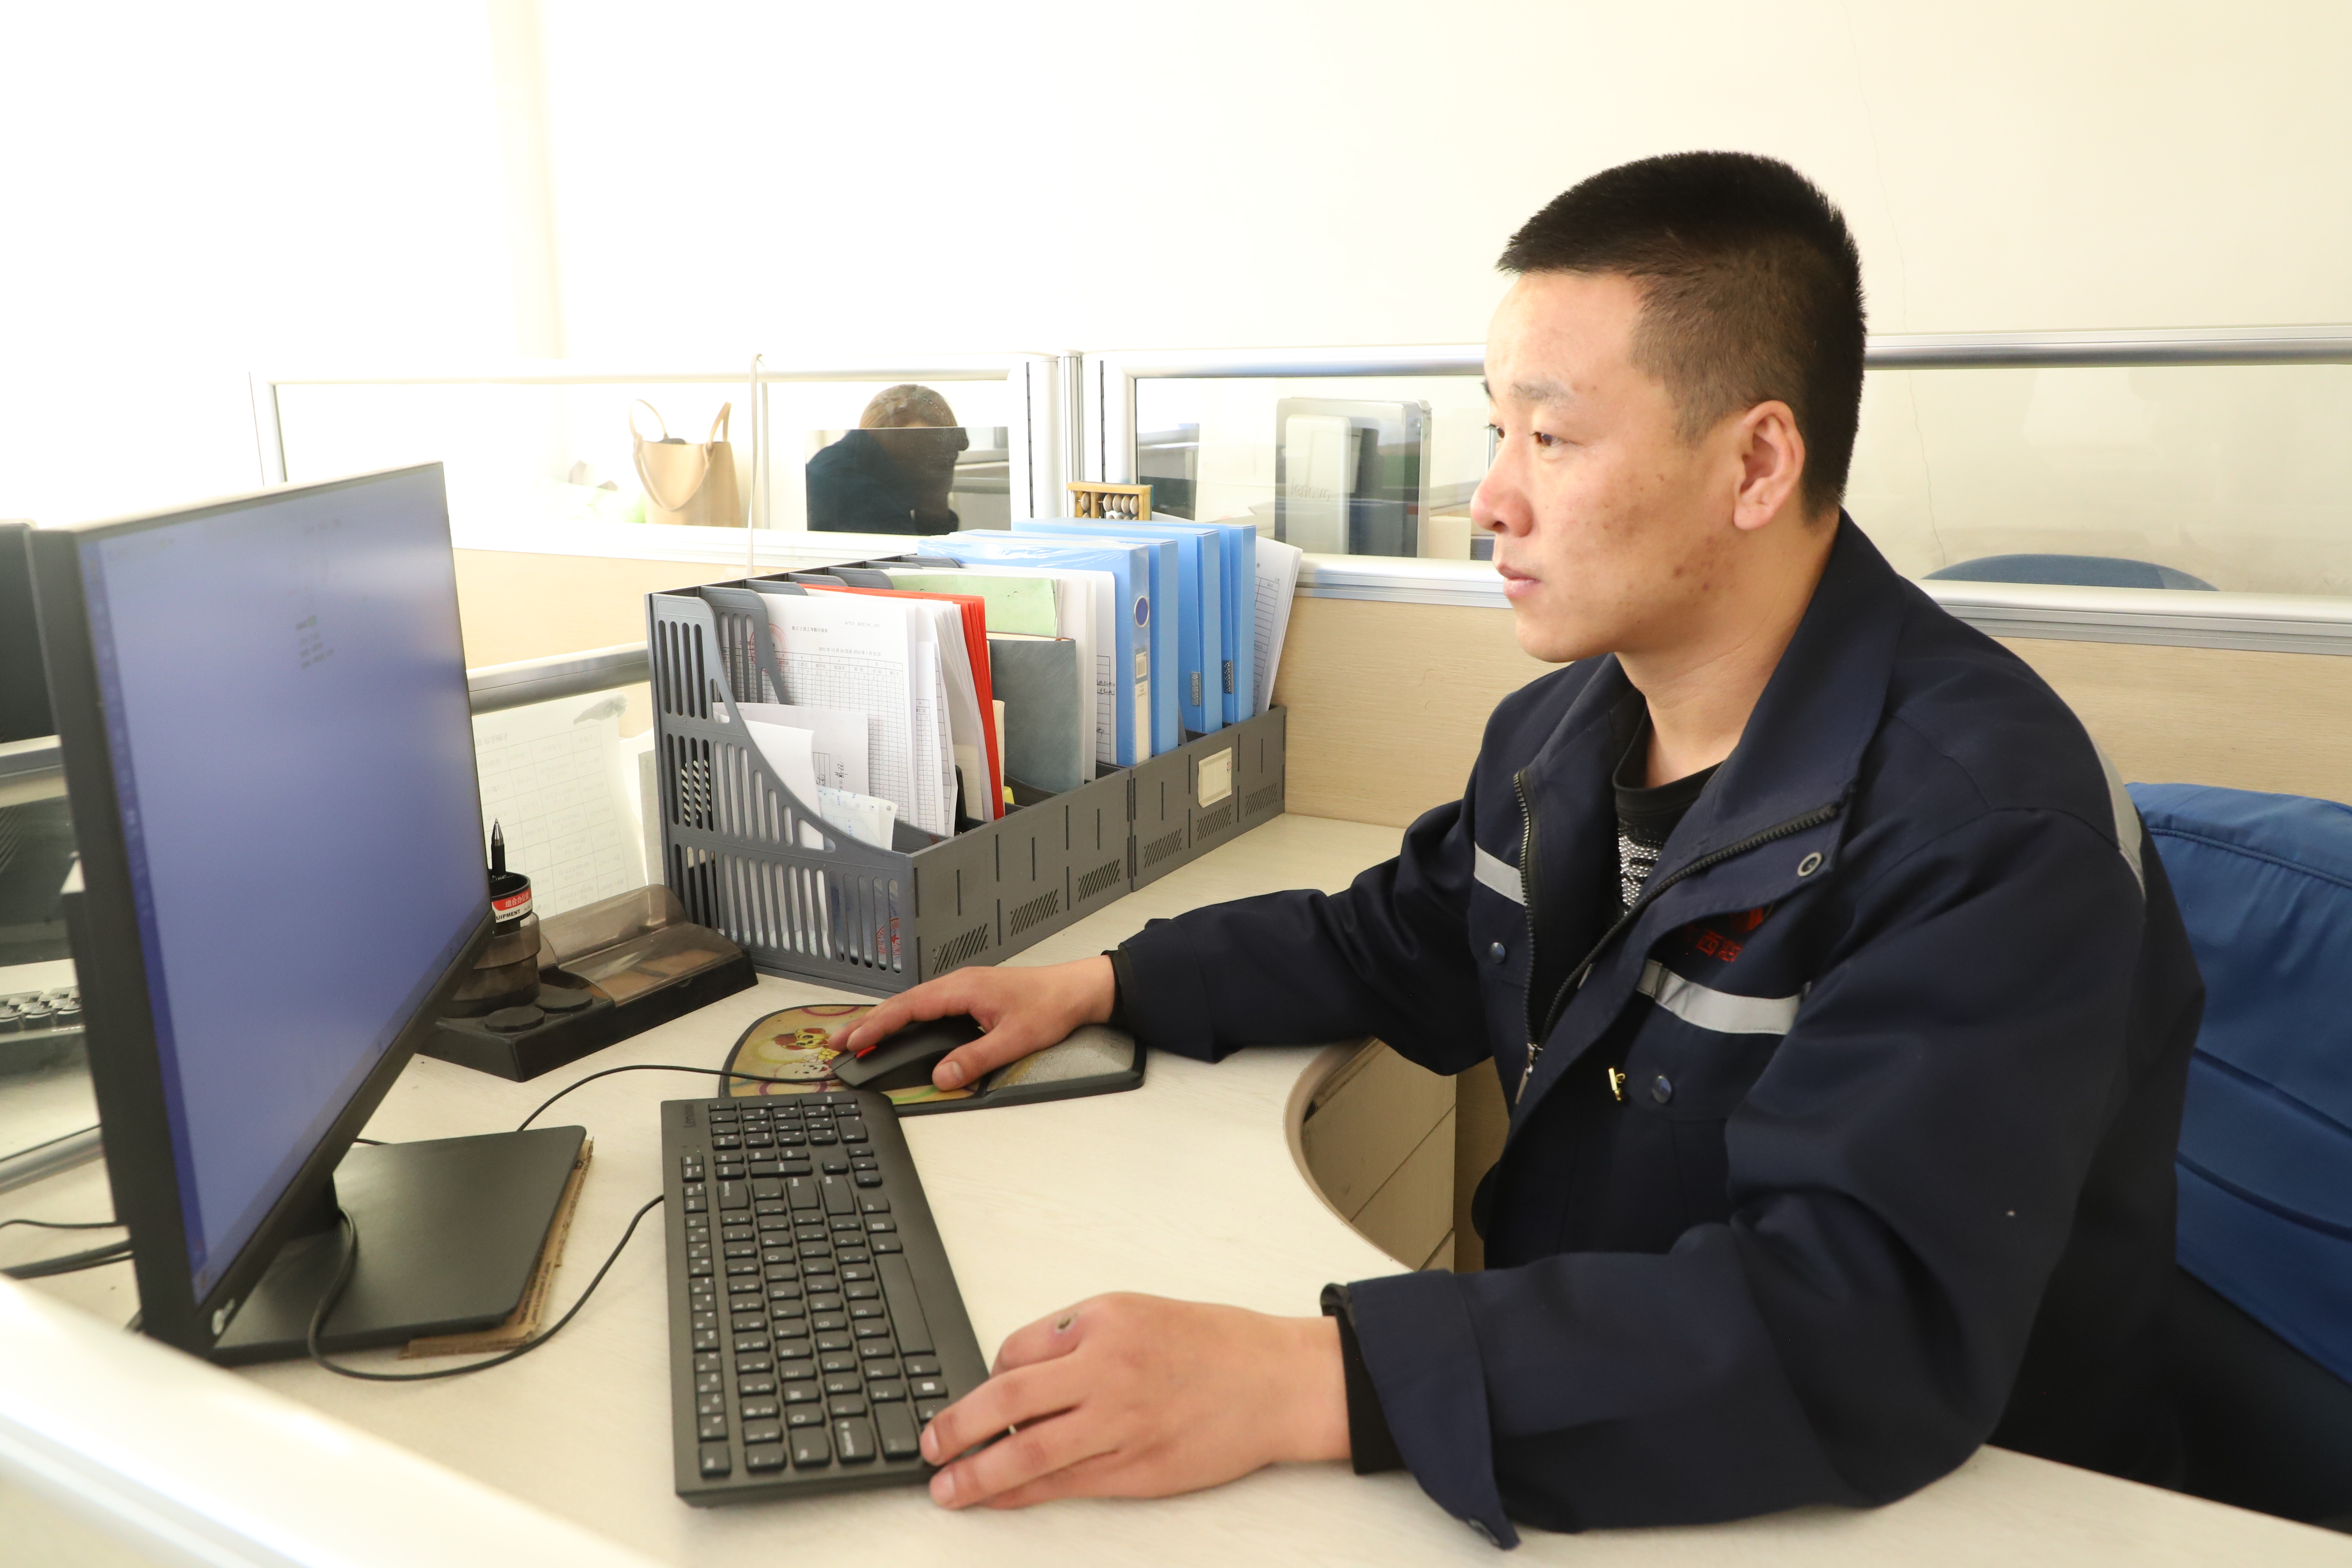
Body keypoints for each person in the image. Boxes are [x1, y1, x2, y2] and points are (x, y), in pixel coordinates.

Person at [842, 152, 2202, 1544]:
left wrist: (1304, 1379)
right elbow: (1401, 941)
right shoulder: (1561, 732)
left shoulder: (1988, 834)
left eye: (1548, 438)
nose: (1490, 497)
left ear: (1754, 464)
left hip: (1946, 1513)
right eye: (1495, 431)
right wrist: (1103, 985)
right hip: (1605, 1418)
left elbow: (1849, 1326)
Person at [805, 383, 970, 533]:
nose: (935, 462)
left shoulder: (846, 460)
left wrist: (934, 505)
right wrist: (934, 501)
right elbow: (916, 554)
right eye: (920, 446)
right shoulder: (861, 490)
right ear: (887, 436)